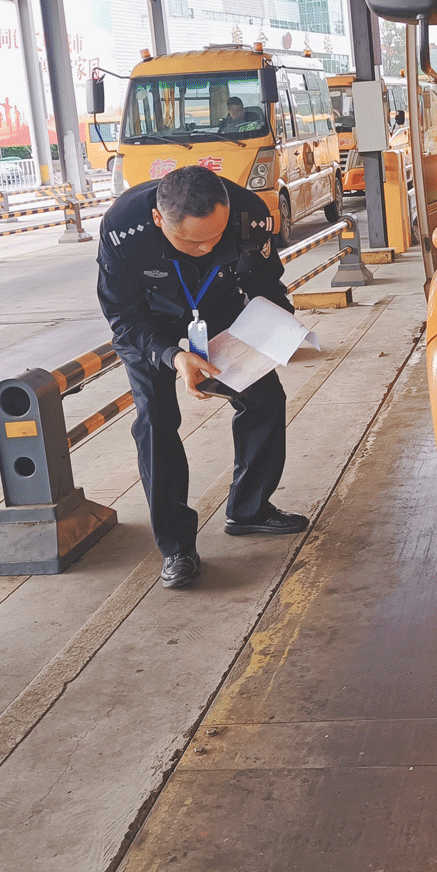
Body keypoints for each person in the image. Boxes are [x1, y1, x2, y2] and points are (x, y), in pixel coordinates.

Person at [97, 165, 308, 591]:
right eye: (193, 241)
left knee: (265, 399)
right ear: (160, 221)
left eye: (216, 236)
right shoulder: (123, 228)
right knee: (155, 422)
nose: (207, 247)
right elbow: (124, 318)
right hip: (151, 324)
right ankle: (176, 546)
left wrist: (277, 331)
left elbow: (266, 285)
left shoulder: (250, 214)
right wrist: (174, 356)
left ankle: (249, 509)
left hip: (220, 310)